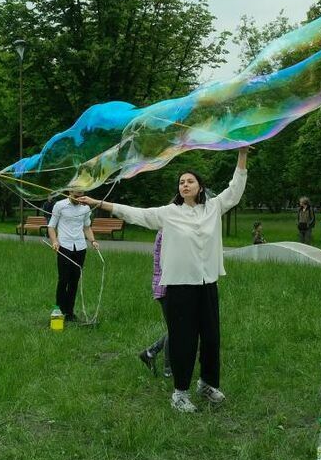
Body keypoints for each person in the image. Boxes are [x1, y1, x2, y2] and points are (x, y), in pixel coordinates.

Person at [80, 149, 248, 413]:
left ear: (200, 187)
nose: (185, 184)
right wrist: (98, 203)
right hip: (180, 287)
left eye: (190, 181)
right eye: (181, 182)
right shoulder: (168, 213)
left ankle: (207, 384)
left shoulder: (213, 207)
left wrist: (242, 155)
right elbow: (136, 213)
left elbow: (235, 189)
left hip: (207, 284)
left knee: (212, 338)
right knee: (184, 340)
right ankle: (180, 393)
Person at [47, 190, 99, 322]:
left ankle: (69, 312)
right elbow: (51, 226)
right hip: (64, 246)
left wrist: (93, 240)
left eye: (81, 196)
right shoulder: (60, 205)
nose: (79, 199)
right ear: (70, 192)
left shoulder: (85, 207)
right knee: (63, 279)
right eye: (76, 196)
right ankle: (58, 311)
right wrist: (54, 241)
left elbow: (87, 227)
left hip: (80, 247)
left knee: (74, 281)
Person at [136, 230, 173, 380]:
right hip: (167, 286)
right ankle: (168, 369)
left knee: (179, 327)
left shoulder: (170, 230)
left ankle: (150, 352)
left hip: (170, 285)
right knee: (176, 328)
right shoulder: (167, 233)